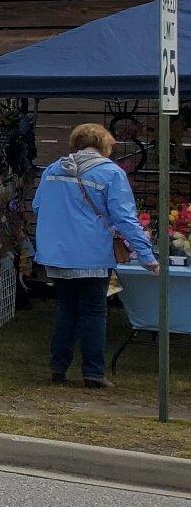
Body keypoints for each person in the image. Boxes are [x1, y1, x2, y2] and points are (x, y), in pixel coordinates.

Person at [34, 123, 159, 388]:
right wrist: (146, 254)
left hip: (57, 254)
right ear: (104, 145)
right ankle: (93, 372)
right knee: (93, 312)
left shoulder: (53, 170)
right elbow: (124, 217)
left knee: (66, 310)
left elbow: (37, 205)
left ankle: (58, 368)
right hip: (91, 254)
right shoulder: (111, 173)